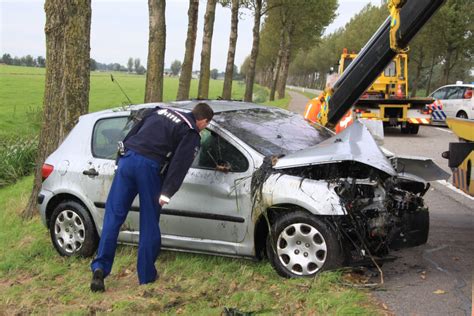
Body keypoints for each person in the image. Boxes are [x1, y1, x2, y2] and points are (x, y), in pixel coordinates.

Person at [90, 102, 214, 292]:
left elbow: (132, 133)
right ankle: (146, 276)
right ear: (203, 121)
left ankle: (99, 268)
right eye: (205, 126)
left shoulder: (160, 111)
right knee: (148, 222)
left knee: (113, 217)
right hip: (149, 168)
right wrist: (167, 192)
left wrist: (118, 162)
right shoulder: (190, 132)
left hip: (127, 160)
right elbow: (180, 165)